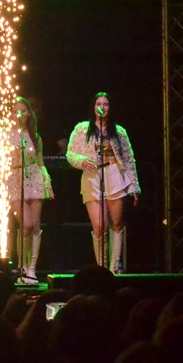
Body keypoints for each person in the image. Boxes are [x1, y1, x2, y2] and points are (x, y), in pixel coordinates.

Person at [65, 91, 139, 273]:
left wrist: (134, 185)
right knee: (99, 225)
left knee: (117, 222)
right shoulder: (82, 129)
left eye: (106, 104)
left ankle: (115, 265)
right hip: (92, 177)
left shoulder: (119, 131)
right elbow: (70, 153)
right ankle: (101, 267)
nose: (102, 107)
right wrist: (82, 161)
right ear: (93, 107)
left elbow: (129, 159)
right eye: (99, 104)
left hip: (115, 175)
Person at [5, 96, 53, 284]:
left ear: (28, 114)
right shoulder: (5, 134)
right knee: (25, 224)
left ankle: (31, 268)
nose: (19, 114)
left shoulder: (34, 135)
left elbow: (40, 162)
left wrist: (47, 180)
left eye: (23, 111)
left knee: (35, 224)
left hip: (34, 176)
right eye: (16, 111)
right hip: (14, 178)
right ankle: (22, 266)